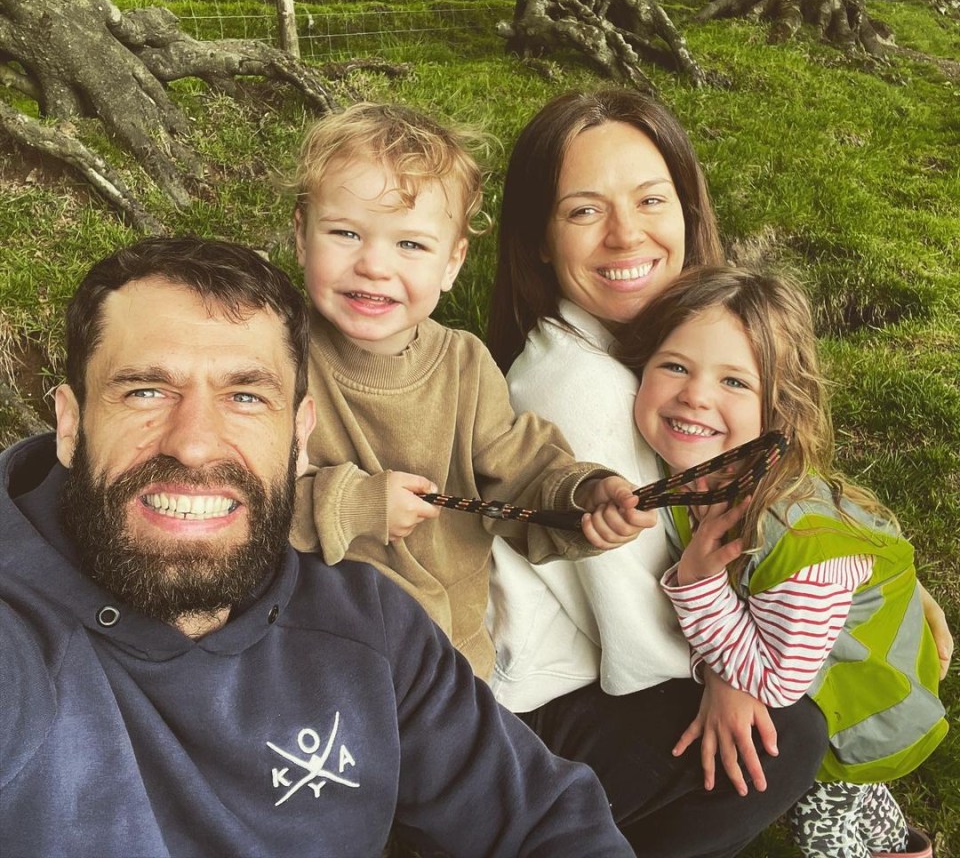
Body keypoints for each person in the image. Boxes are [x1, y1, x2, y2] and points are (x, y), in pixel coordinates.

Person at [0, 235, 637, 858]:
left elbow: (544, 820)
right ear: (71, 423)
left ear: (300, 434)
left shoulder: (369, 626)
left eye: (245, 396)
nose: (193, 444)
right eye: (146, 391)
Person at [484, 89, 953, 856]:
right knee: (785, 730)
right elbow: (645, 646)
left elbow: (768, 487)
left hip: (620, 659)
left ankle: (875, 833)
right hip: (537, 706)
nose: (625, 234)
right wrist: (753, 667)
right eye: (582, 211)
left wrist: (876, 581)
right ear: (538, 236)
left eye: (649, 199)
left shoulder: (670, 346)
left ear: (688, 208)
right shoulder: (581, 394)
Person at [288, 102, 654, 680]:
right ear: (302, 236)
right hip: (322, 658)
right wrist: (354, 504)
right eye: (345, 233)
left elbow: (521, 472)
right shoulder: (279, 362)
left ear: (453, 262)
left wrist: (582, 498)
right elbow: (249, 502)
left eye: (411, 245)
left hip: (456, 659)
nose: (374, 265)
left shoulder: (463, 364)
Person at [619, 264, 945, 858]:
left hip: (852, 706)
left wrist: (697, 586)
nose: (696, 394)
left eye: (735, 383)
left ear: (780, 409)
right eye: (675, 366)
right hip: (819, 675)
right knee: (860, 803)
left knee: (822, 823)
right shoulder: (710, 476)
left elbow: (776, 681)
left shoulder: (794, 544)